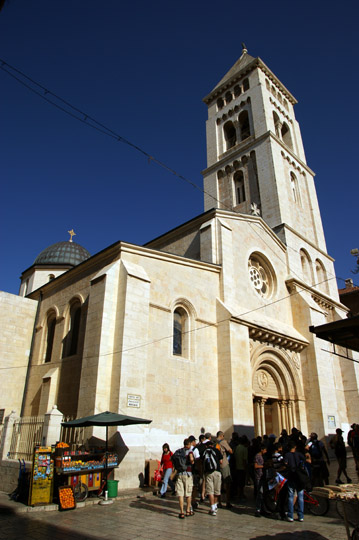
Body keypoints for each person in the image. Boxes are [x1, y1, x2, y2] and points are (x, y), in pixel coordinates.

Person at [173, 438, 195, 519]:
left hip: (179, 474)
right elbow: (192, 459)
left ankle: (181, 512)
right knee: (188, 494)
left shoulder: (178, 451)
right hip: (187, 474)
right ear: (189, 444)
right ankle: (188, 511)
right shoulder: (189, 451)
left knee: (180, 494)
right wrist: (192, 461)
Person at [284, 440, 305, 522]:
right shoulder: (299, 454)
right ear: (295, 447)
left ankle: (290, 515)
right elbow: (306, 459)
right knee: (300, 497)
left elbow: (285, 463)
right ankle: (301, 516)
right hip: (299, 477)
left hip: (291, 476)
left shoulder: (287, 455)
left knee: (290, 496)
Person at [202, 439, 223, 516]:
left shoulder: (205, 452)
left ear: (206, 446)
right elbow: (221, 461)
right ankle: (215, 505)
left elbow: (202, 462)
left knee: (210, 491)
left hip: (208, 473)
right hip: (217, 471)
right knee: (217, 491)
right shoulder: (216, 450)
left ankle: (212, 508)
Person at [216, 431, 233, 508]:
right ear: (222, 436)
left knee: (219, 484)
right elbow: (230, 451)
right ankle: (227, 501)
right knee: (227, 483)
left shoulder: (214, 443)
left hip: (217, 465)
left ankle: (218, 502)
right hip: (224, 464)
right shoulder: (223, 442)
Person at [254, 443, 269, 517]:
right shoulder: (257, 456)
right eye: (265, 450)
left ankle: (262, 509)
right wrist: (264, 466)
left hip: (262, 476)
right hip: (258, 477)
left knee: (263, 493)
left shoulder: (262, 456)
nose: (266, 451)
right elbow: (256, 466)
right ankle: (258, 509)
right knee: (260, 493)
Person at [234, 435, 248, 502]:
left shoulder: (237, 447)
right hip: (242, 468)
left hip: (237, 467)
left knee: (239, 482)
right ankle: (241, 495)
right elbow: (244, 460)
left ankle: (239, 494)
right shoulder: (244, 449)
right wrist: (245, 468)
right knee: (242, 483)